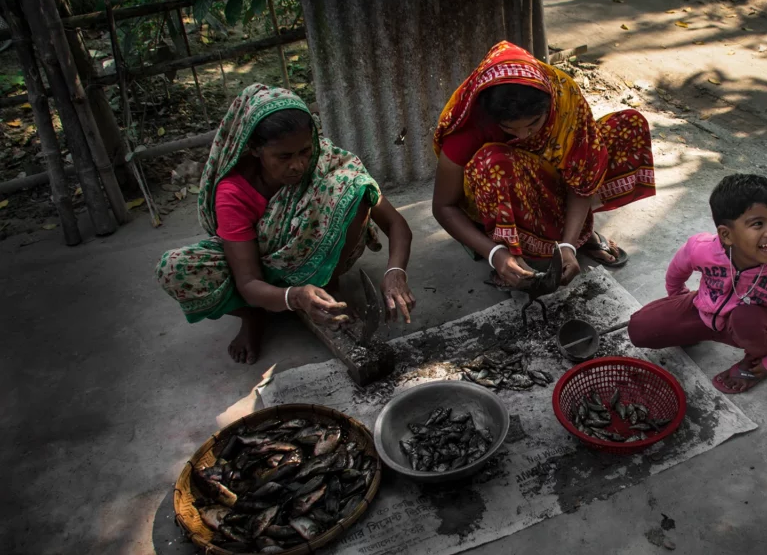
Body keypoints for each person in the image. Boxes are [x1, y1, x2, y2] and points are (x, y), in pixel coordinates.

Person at [155, 84, 415, 364]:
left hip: (314, 258)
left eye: (304, 151)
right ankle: (254, 315)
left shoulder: (326, 160)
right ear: (254, 149)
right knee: (176, 269)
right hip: (258, 267)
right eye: (284, 157)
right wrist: (294, 296)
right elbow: (247, 281)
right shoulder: (233, 192)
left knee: (353, 188)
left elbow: (395, 223)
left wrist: (395, 270)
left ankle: (328, 284)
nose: (299, 165)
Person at [432, 41, 656, 290]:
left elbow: (583, 173)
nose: (525, 135)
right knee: (494, 163)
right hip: (502, 194)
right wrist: (495, 253)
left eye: (534, 124)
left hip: (552, 184)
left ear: (549, 103)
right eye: (509, 128)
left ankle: (576, 235)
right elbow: (444, 206)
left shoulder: (563, 95)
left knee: (627, 124)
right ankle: (513, 251)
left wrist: (569, 245)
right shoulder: (471, 123)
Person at [628, 174, 767, 394]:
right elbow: (677, 271)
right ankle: (694, 332)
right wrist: (678, 298)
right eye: (758, 223)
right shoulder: (701, 248)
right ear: (726, 235)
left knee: (746, 318)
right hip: (701, 311)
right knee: (640, 329)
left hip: (748, 328)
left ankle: (753, 361)